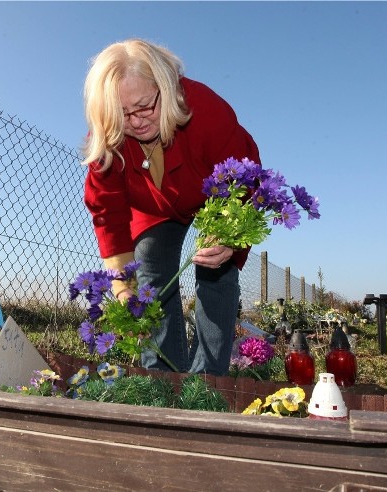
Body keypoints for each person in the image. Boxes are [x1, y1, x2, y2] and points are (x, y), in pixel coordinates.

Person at [81, 39, 261, 376]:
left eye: (145, 106)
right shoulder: (108, 136)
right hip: (155, 207)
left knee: (215, 270)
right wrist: (121, 285)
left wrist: (229, 238)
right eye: (122, 114)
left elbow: (245, 172)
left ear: (165, 88)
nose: (135, 122)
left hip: (218, 198)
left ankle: (207, 380)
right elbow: (107, 210)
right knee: (150, 267)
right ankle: (161, 377)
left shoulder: (207, 111)